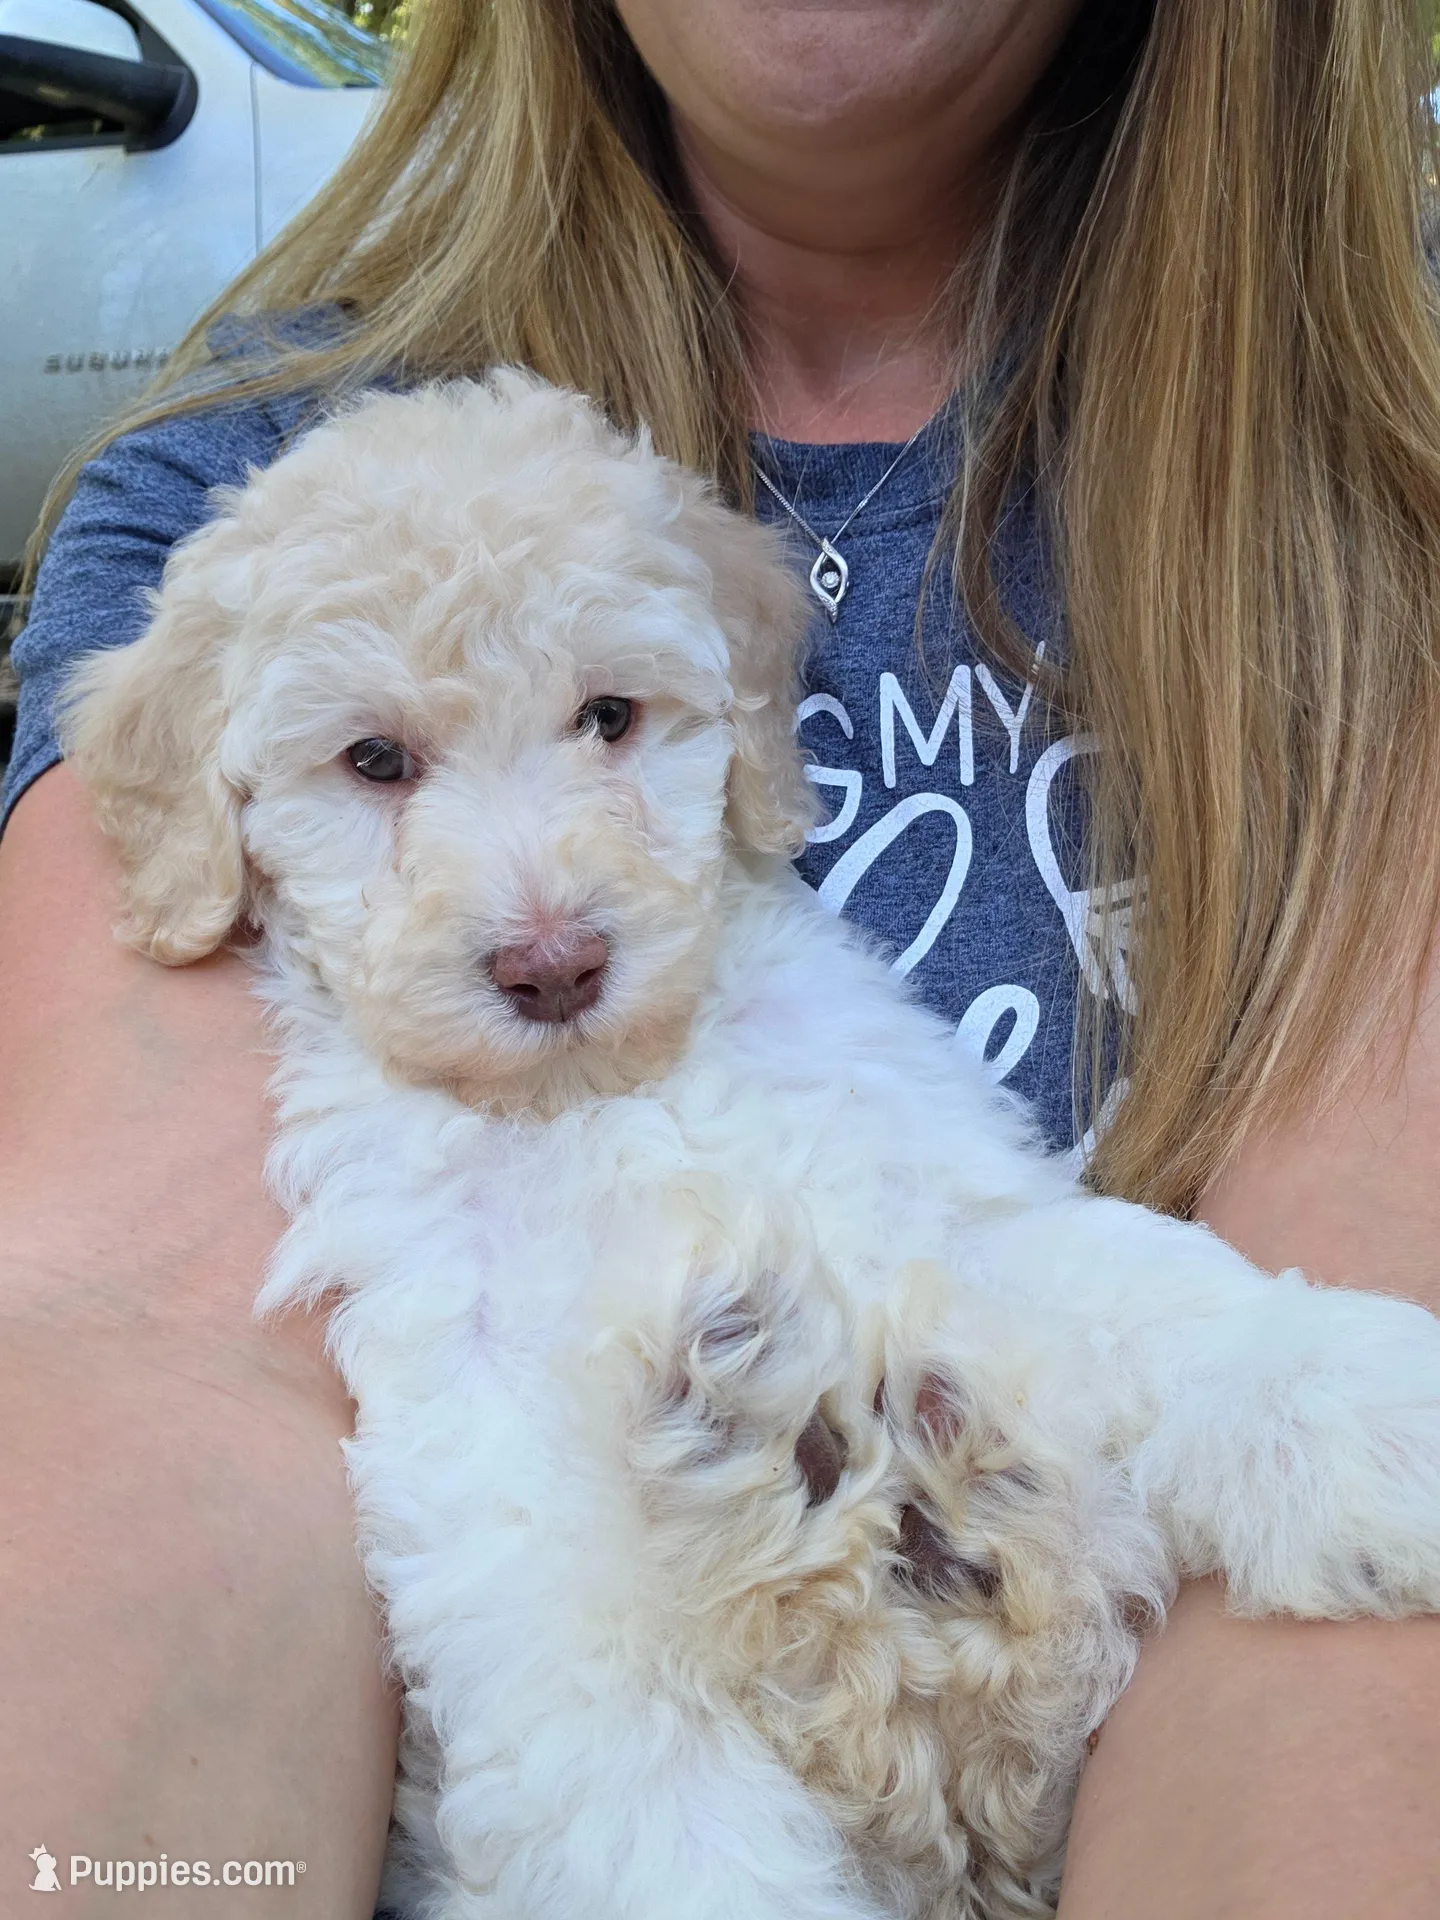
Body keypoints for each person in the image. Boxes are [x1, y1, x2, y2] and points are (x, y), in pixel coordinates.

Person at [4, 0, 1440, 1912]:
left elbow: (1036, 1242)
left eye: (609, 720)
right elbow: (154, 1365)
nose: (541, 921)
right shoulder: (225, 484)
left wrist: (1281, 1375)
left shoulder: (1381, 466)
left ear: (738, 705)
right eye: (381, 768)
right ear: (219, 794)